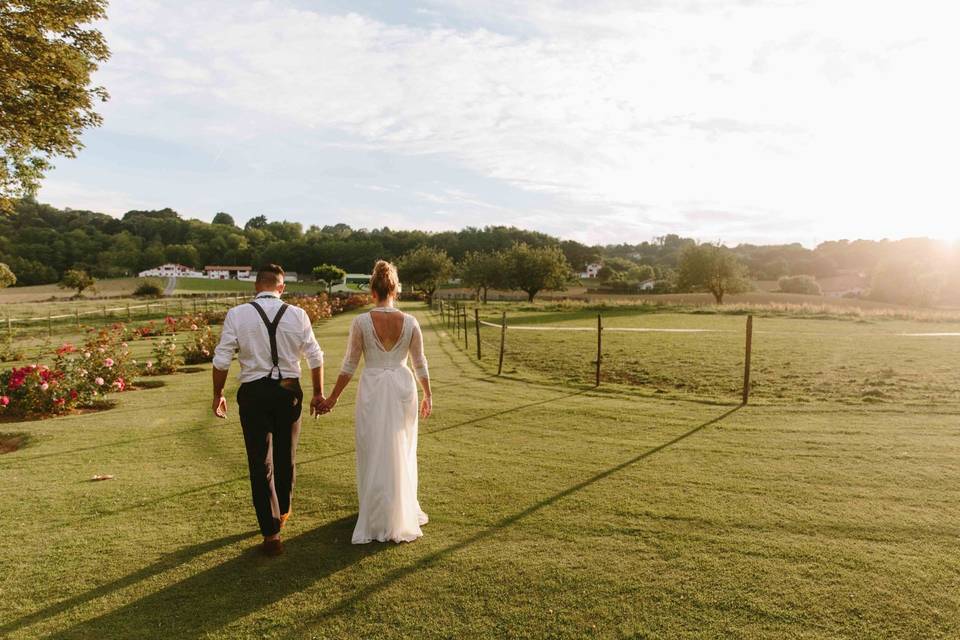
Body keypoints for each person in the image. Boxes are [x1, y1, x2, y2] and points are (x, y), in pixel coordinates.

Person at [211, 263, 325, 556]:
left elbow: (222, 358)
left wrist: (218, 394)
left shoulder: (237, 314)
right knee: (286, 454)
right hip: (289, 390)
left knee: (259, 462)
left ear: (256, 286)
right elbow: (315, 355)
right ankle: (283, 511)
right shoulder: (297, 314)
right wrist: (318, 393)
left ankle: (271, 533)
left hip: (253, 392)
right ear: (281, 287)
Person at [319, 260, 432, 543]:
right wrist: (428, 394)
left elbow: (349, 365)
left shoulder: (361, 322)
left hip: (372, 388)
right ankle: (397, 511)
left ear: (373, 291)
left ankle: (377, 514)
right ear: (396, 289)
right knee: (401, 447)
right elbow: (420, 363)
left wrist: (332, 398)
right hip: (403, 387)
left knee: (373, 448)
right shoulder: (410, 322)